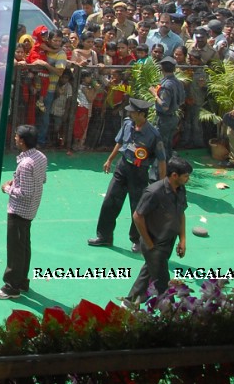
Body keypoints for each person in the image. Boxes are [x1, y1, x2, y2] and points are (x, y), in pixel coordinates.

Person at [89, 98, 167, 252]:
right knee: (109, 202)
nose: (129, 113)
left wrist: (162, 183)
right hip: (122, 167)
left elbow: (162, 160)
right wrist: (110, 160)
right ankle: (104, 236)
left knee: (137, 208)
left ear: (141, 114)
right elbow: (120, 143)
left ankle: (137, 240)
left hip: (139, 173)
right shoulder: (127, 123)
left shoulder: (153, 134)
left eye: (132, 111)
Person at [125, 157, 191, 305]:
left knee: (147, 273)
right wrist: (149, 244)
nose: (188, 179)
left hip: (168, 241)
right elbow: (137, 216)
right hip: (154, 244)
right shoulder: (154, 192)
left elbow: (181, 213)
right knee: (163, 282)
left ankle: (129, 302)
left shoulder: (180, 189)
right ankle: (171, 311)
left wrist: (183, 240)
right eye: (186, 176)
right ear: (174, 175)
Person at [0, 124, 47, 300]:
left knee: (15, 248)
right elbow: (41, 180)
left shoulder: (25, 163)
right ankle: (22, 281)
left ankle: (11, 287)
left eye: (16, 136)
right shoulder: (40, 157)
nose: (15, 138)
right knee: (24, 246)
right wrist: (16, 181)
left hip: (19, 211)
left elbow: (25, 193)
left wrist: (7, 189)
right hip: (31, 210)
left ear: (22, 141)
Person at [154, 56, 185, 152]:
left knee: (161, 145)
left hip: (165, 119)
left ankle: (161, 166)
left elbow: (164, 106)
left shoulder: (166, 85)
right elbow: (182, 100)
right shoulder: (178, 82)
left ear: (162, 68)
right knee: (168, 145)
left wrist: (155, 94)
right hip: (173, 117)